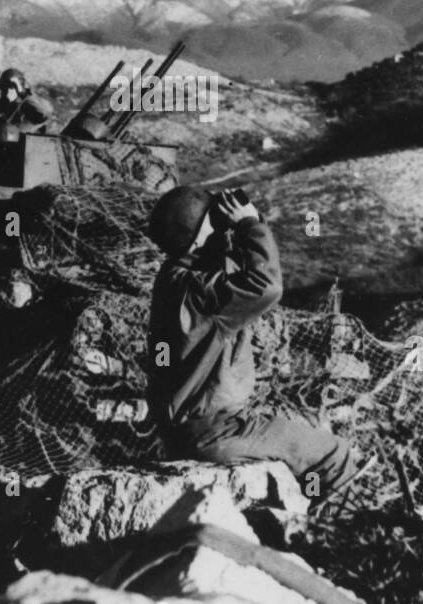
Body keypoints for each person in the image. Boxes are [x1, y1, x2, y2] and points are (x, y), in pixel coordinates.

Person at [145, 185, 369, 502]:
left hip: (184, 432)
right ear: (198, 239)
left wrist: (240, 227)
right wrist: (249, 225)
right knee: (333, 456)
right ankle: (311, 512)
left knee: (298, 448)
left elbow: (224, 267)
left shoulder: (173, 279)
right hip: (221, 432)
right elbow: (266, 286)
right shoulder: (204, 295)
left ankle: (298, 505)